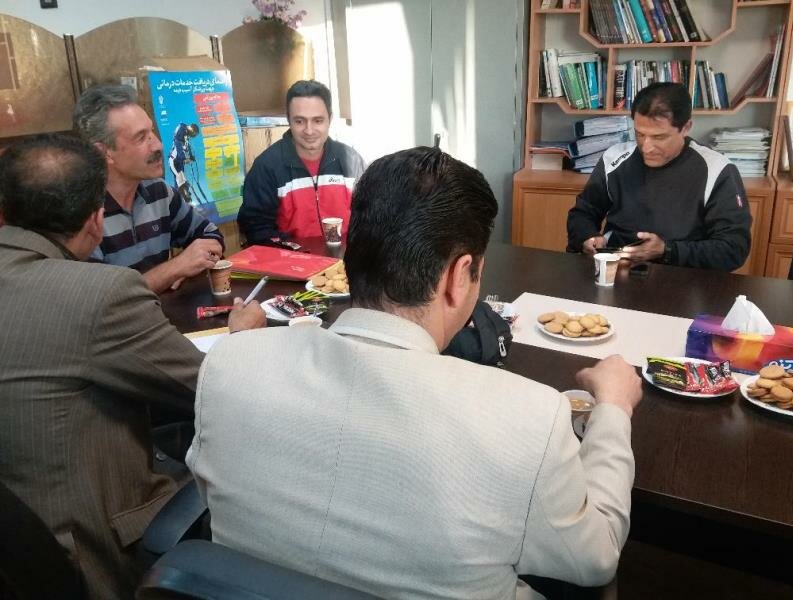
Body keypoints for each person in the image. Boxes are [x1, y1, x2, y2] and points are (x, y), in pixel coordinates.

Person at [188, 147, 642, 599]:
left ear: (350, 253)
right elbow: (595, 558)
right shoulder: (531, 418)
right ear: (459, 277)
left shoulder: (227, 365)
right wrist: (614, 410)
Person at [0, 134, 265, 600]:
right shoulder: (99, 294)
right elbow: (211, 387)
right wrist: (240, 336)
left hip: (20, 543)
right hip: (86, 549)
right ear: (95, 219)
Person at [567, 82, 752, 271]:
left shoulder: (718, 169)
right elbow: (583, 213)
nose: (646, 148)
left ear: (686, 127)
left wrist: (667, 251)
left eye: (659, 137)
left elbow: (733, 248)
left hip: (684, 276)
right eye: (640, 134)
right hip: (617, 270)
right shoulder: (614, 158)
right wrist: (586, 236)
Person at [74, 85, 225, 293]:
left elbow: (210, 235)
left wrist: (190, 264)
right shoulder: (81, 213)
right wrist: (173, 269)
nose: (158, 145)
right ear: (104, 152)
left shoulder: (158, 191)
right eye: (141, 137)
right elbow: (99, 298)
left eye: (151, 131)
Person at [237, 79, 366, 244]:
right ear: (288, 120)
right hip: (290, 258)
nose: (309, 130)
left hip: (346, 258)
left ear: (330, 119)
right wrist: (297, 250)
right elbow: (256, 229)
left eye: (318, 120)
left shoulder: (352, 161)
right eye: (299, 121)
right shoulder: (267, 166)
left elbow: (371, 218)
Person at [169, 122, 201, 203]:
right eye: (193, 134)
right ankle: (180, 197)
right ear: (191, 129)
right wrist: (184, 158)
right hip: (174, 161)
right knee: (179, 179)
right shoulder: (181, 133)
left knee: (181, 178)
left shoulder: (186, 134)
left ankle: (183, 195)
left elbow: (187, 145)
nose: (192, 136)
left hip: (179, 161)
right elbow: (178, 146)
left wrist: (190, 155)